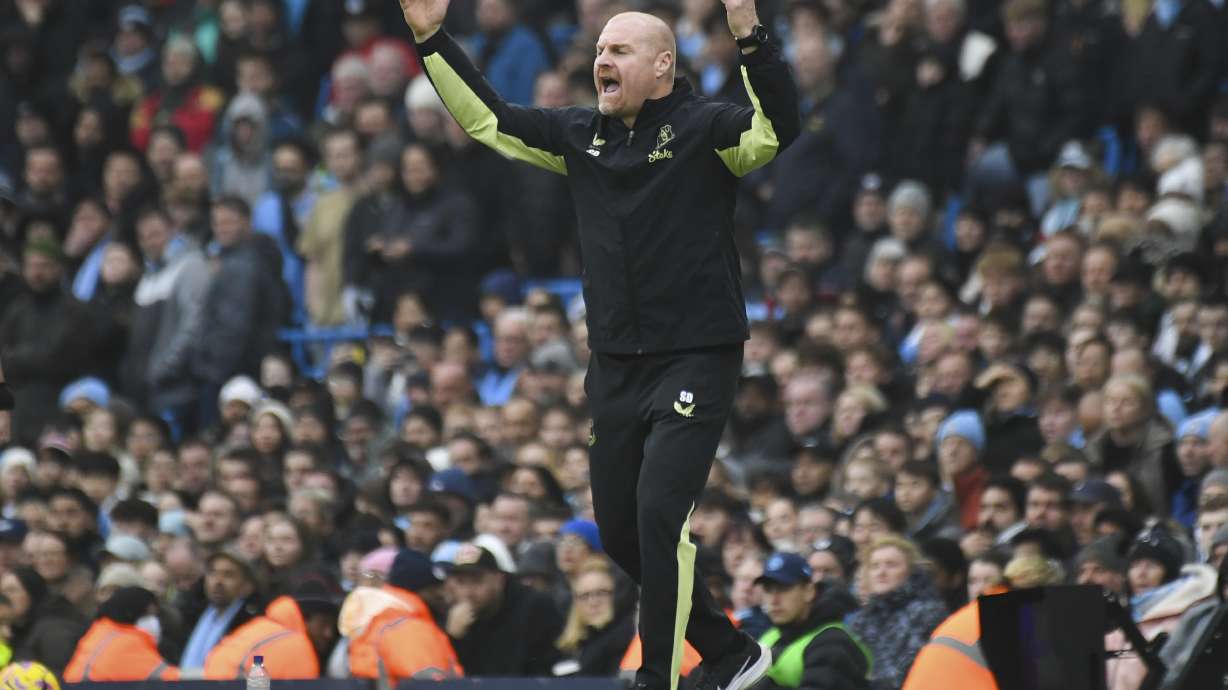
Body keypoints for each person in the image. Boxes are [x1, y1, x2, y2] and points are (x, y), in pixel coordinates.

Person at [396, 0, 800, 685]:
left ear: (663, 65)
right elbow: (486, 119)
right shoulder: (581, 136)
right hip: (613, 366)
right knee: (617, 533)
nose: (601, 61)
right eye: (600, 50)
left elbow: (774, 130)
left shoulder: (706, 129)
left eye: (620, 51)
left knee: (657, 516)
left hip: (696, 355)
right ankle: (731, 652)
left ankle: (658, 678)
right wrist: (432, 39)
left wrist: (751, 40)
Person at [754, 552, 871, 690]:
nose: (774, 600)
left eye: (783, 589)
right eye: (768, 590)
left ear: (809, 591)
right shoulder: (771, 635)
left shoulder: (833, 642)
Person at [443, 542, 564, 676]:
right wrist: (454, 638)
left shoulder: (534, 607)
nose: (468, 592)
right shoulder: (455, 616)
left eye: (477, 581)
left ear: (499, 580)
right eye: (461, 582)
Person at [345, 548, 462, 682]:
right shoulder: (408, 627)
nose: (441, 594)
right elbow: (429, 685)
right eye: (433, 589)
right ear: (417, 589)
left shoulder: (387, 617)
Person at [846, 536, 948, 689]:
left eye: (891, 565)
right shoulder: (860, 621)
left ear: (911, 571)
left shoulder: (928, 613)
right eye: (874, 566)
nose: (881, 572)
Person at [204, 581, 338, 679]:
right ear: (305, 619)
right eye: (324, 624)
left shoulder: (256, 627)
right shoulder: (297, 647)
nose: (328, 634)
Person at [63, 586, 179, 681]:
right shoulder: (127, 642)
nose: (154, 621)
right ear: (132, 613)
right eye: (148, 614)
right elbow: (167, 677)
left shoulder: (99, 633)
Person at [178, 550, 264, 671]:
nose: (218, 581)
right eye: (212, 573)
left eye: (228, 575)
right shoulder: (192, 614)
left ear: (247, 587)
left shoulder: (252, 624)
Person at [553, 557, 636, 677]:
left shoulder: (629, 638)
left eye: (601, 593)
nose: (593, 602)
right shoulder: (567, 647)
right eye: (585, 596)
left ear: (615, 595)